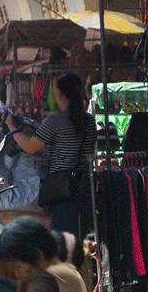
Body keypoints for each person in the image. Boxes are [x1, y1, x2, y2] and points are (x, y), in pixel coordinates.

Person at [15, 71, 99, 239]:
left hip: (62, 190)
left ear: (60, 95)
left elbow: (30, 147)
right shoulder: (89, 120)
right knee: (83, 237)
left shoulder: (56, 121)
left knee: (63, 240)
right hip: (85, 185)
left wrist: (12, 129)